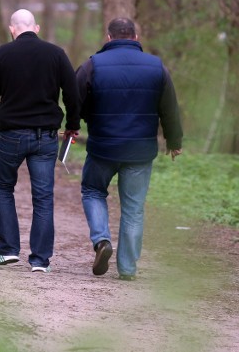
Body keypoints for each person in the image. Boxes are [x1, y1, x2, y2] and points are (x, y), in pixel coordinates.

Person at [76, 17, 183, 281]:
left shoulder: (92, 65)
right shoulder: (157, 67)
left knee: (92, 190)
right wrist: (174, 141)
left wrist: (77, 123)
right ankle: (127, 269)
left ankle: (102, 241)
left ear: (108, 38)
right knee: (133, 208)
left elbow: (75, 98)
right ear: (136, 37)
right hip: (140, 150)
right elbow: (169, 107)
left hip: (103, 146)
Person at [0, 9, 81, 273]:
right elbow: (72, 93)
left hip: (11, 135)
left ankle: (8, 250)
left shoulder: (2, 54)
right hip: (45, 137)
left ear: (12, 29)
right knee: (43, 197)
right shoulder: (56, 54)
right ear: (35, 27)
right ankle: (40, 260)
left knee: (3, 188)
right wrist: (72, 125)